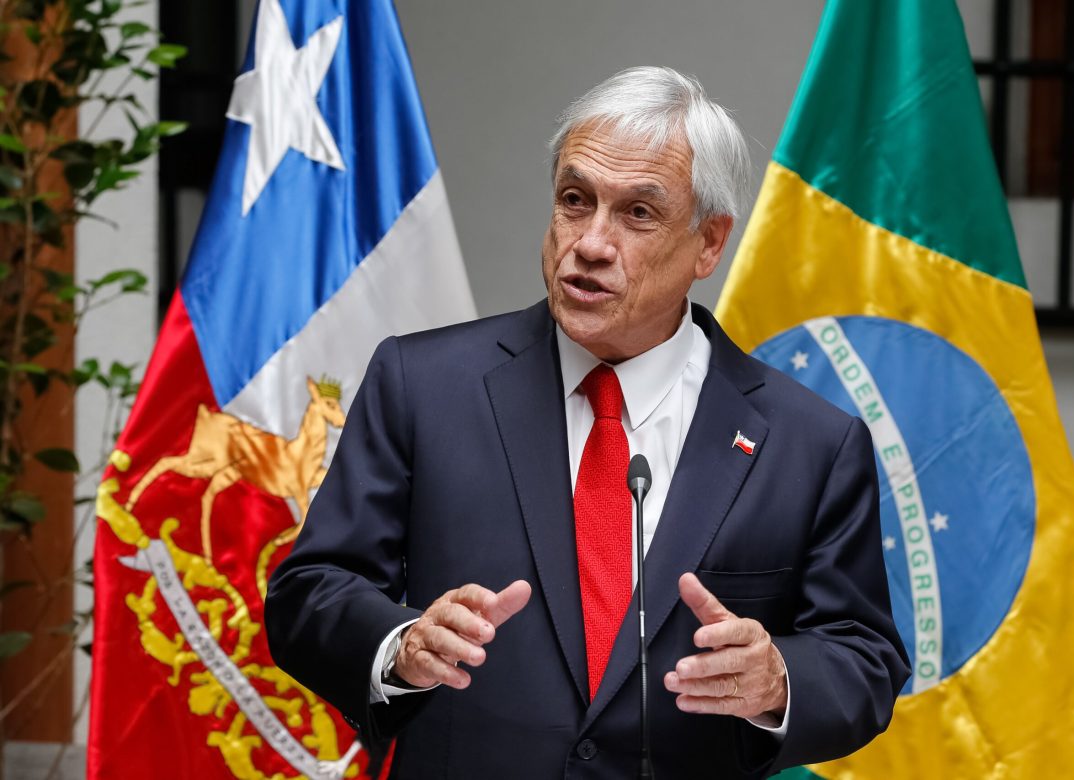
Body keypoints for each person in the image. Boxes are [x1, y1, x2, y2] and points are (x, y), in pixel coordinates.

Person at [265, 66, 909, 779]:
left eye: (638, 213)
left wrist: (777, 678)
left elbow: (864, 659)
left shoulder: (810, 443)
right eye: (576, 201)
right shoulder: (422, 385)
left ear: (709, 242)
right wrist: (401, 645)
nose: (592, 242)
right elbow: (310, 590)